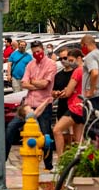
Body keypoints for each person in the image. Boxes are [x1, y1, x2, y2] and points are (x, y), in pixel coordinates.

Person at [20, 41, 58, 169]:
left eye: (38, 51)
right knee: (14, 129)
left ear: (43, 50)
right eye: (34, 52)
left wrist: (32, 82)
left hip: (44, 104)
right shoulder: (30, 64)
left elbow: (45, 84)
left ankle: (48, 165)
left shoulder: (51, 64)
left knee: (45, 134)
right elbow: (23, 83)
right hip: (29, 105)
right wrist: (36, 84)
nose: (37, 54)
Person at [52, 48, 86, 156]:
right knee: (78, 139)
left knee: (57, 130)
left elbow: (68, 92)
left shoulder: (77, 71)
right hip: (83, 105)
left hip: (75, 106)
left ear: (79, 58)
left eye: (71, 60)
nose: (69, 63)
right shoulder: (86, 69)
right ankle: (80, 160)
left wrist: (63, 92)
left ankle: (61, 159)